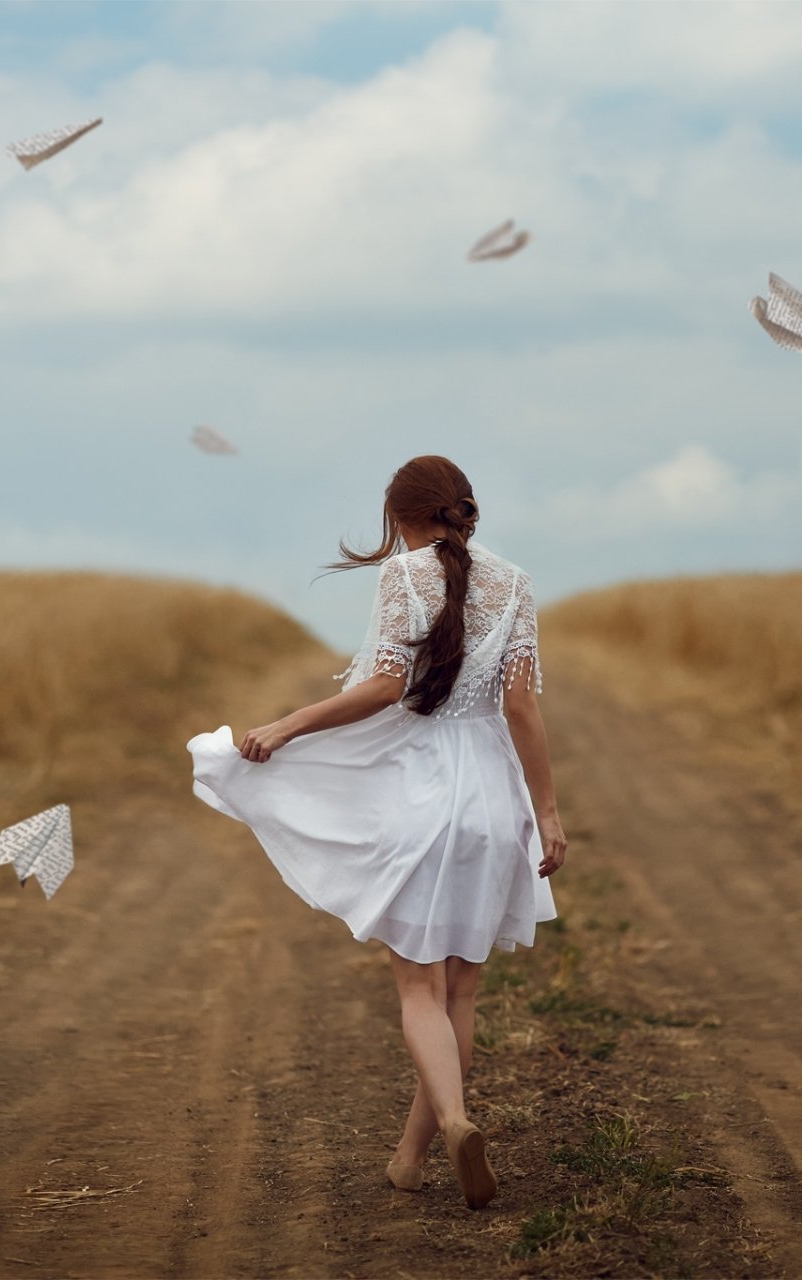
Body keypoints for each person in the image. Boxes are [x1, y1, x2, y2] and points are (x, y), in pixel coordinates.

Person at [188, 455, 566, 1210]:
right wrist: (547, 812)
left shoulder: (404, 577)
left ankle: (454, 1121)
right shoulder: (516, 584)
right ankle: (411, 1157)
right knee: (461, 992)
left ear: (400, 517)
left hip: (420, 794)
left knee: (419, 988)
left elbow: (386, 688)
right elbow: (522, 708)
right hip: (494, 800)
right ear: (465, 509)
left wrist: (289, 725)